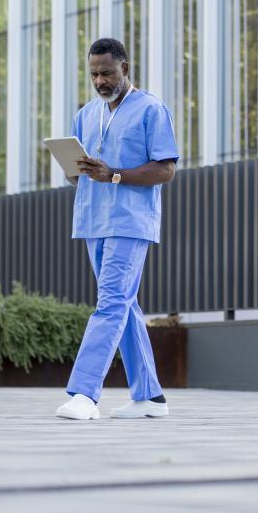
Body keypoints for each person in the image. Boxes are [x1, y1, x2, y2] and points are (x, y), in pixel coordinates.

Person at [55, 38, 179, 420]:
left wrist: (114, 174)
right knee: (124, 304)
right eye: (94, 74)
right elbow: (78, 176)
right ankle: (149, 396)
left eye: (107, 73)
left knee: (110, 302)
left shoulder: (151, 109)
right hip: (93, 220)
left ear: (125, 68)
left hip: (130, 221)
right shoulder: (85, 114)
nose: (100, 81)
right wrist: (75, 169)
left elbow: (166, 170)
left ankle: (84, 394)